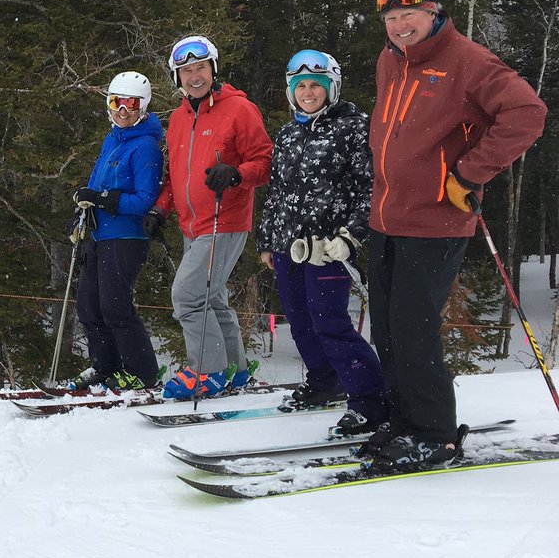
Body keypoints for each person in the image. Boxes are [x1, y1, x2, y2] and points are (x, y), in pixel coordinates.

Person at [363, 0, 545, 470]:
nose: (400, 27)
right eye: (392, 19)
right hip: (385, 219)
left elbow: (527, 113)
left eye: (409, 16)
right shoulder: (389, 60)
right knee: (387, 328)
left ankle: (434, 434)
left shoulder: (469, 61)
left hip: (436, 223)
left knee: (413, 330)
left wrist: (469, 171)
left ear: (434, 13)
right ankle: (402, 421)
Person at [256, 50, 385, 431]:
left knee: (329, 321)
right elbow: (277, 190)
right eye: (301, 86)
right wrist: (268, 240)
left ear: (332, 87)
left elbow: (371, 186)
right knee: (299, 321)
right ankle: (324, 381)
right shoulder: (288, 132)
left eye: (316, 85)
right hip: (287, 245)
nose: (308, 93)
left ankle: (371, 399)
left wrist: (351, 235)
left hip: (329, 248)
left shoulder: (353, 126)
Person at [149, 35, 273, 400]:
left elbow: (265, 163)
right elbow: (175, 174)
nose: (194, 76)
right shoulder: (177, 118)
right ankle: (233, 369)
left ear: (213, 69)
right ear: (177, 78)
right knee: (212, 298)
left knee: (187, 296)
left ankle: (208, 371)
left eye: (200, 68)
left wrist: (236, 174)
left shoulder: (239, 109)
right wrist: (161, 208)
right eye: (186, 71)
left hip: (225, 220)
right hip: (192, 226)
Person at [64, 71, 165, 391]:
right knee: (88, 306)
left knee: (115, 306)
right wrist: (82, 212)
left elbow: (145, 200)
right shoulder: (113, 138)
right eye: (116, 103)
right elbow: (95, 185)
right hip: (99, 235)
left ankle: (142, 371)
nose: (123, 111)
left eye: (131, 104)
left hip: (126, 237)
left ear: (143, 108)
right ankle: (105, 365)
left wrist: (104, 200)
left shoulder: (146, 145)